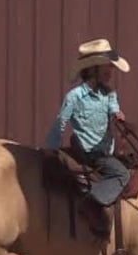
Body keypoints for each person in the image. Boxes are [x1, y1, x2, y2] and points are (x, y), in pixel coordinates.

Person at [44, 38, 131, 238]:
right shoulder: (74, 97)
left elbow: (114, 110)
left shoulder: (109, 94)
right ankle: (92, 203)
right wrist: (51, 148)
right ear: (93, 69)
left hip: (106, 151)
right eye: (107, 67)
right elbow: (61, 123)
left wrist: (118, 116)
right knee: (122, 174)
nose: (111, 71)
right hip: (90, 153)